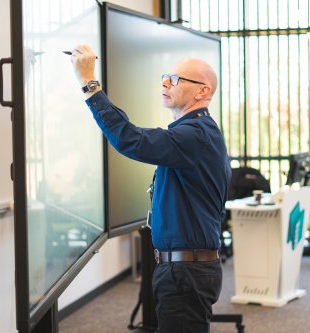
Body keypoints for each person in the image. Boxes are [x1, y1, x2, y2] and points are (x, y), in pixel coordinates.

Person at [71, 44, 231, 333]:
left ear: (202, 92)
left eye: (176, 79)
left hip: (186, 273)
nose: (165, 83)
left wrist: (89, 83)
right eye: (166, 76)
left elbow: (129, 139)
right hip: (182, 270)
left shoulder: (194, 136)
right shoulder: (194, 135)